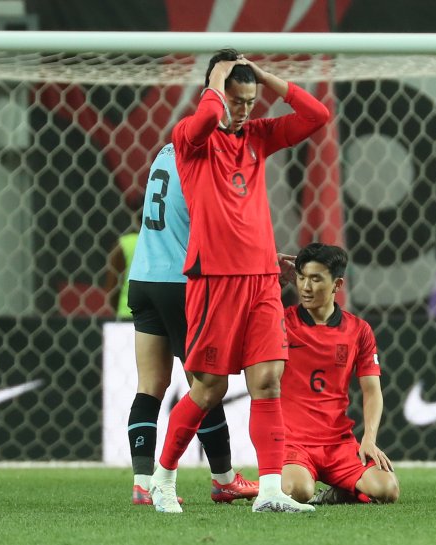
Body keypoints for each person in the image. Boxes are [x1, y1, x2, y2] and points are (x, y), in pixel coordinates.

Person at [149, 48, 330, 514]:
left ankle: (270, 491)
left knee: (268, 382)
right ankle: (162, 480)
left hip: (263, 280)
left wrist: (265, 77)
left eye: (251, 100)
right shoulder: (191, 138)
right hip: (214, 281)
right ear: (217, 91)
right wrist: (216, 83)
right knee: (207, 389)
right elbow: (208, 116)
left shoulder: (258, 136)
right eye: (238, 98)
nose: (246, 108)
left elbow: (316, 115)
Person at [126, 143, 258, 505]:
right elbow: (214, 227)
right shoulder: (207, 155)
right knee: (207, 384)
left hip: (143, 278)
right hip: (182, 283)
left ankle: (141, 483)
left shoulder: (166, 152)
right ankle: (223, 479)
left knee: (150, 385)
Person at [281, 243, 399, 505]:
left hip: (339, 444)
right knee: (297, 491)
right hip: (293, 443)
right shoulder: (281, 322)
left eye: (315, 279)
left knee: (387, 488)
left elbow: (372, 391)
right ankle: (268, 486)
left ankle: (337, 492)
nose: (305, 287)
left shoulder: (359, 330)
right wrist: (269, 280)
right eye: (301, 278)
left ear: (337, 284)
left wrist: (368, 439)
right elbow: (245, 314)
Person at [104, 212, 140, 319]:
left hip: (126, 313)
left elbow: (112, 287)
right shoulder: (161, 243)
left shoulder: (123, 244)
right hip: (154, 318)